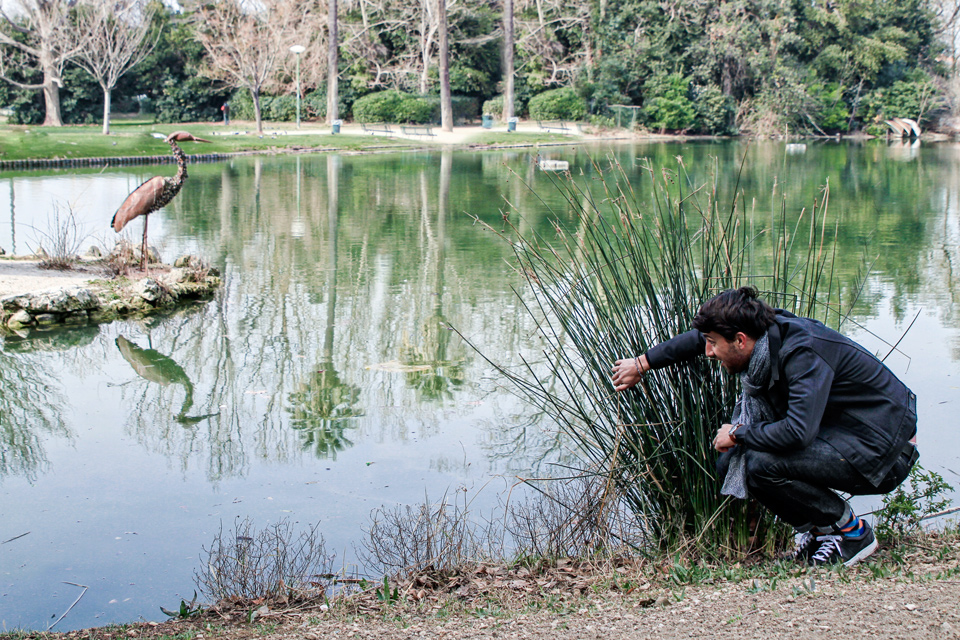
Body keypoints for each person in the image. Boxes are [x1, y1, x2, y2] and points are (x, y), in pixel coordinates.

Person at [611, 286, 918, 566]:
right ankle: (823, 533)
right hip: (846, 436)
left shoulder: (802, 353)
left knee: (757, 461)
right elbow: (698, 338)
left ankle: (853, 533)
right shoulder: (764, 332)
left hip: (883, 451)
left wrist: (738, 433)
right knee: (736, 461)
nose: (708, 352)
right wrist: (641, 363)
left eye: (713, 344)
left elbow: (798, 432)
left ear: (740, 340)